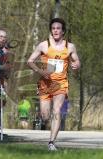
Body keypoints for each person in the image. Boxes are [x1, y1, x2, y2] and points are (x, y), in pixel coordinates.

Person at [27, 18, 80, 151]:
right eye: (53, 28)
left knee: (57, 111)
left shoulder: (70, 47)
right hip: (45, 83)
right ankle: (43, 120)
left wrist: (76, 65)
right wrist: (40, 71)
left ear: (63, 31)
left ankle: (51, 143)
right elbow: (30, 61)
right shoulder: (43, 45)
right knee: (45, 115)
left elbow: (77, 61)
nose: (56, 30)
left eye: (58, 28)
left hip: (61, 84)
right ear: (51, 30)